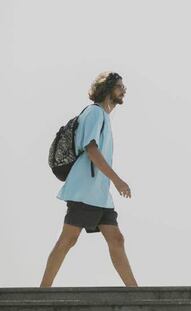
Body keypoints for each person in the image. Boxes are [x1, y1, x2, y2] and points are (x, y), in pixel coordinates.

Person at [40, 71, 139, 287]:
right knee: (68, 239)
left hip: (99, 195)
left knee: (116, 239)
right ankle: (43, 290)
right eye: (120, 86)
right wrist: (117, 180)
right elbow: (91, 149)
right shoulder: (94, 113)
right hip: (85, 190)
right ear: (107, 89)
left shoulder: (102, 116)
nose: (124, 90)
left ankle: (134, 291)